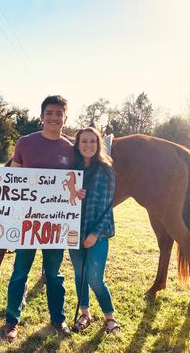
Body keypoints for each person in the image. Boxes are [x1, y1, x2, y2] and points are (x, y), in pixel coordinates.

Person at [3, 95, 77, 341]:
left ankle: (58, 320)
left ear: (65, 117)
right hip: (27, 222)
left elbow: (74, 184)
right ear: (42, 115)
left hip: (56, 225)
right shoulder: (25, 143)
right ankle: (12, 322)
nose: (54, 118)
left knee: (54, 275)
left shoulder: (70, 149)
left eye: (59, 113)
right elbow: (12, 177)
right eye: (50, 113)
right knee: (19, 272)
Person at [69, 127, 120, 334]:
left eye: (92, 141)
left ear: (98, 144)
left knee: (95, 278)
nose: (88, 145)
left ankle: (110, 317)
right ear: (78, 144)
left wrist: (94, 234)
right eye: (84, 141)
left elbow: (108, 205)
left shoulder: (106, 169)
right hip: (73, 231)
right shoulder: (72, 169)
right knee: (80, 274)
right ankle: (85, 313)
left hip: (97, 233)